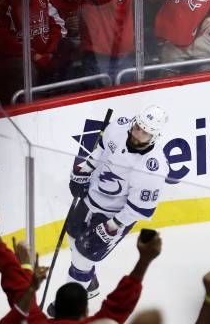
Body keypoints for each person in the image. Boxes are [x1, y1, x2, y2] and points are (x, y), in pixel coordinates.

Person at [53, 105, 169, 310]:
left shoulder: (152, 168)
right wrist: (85, 169)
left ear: (154, 136)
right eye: (138, 127)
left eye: (145, 132)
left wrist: (113, 226)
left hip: (113, 215)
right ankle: (89, 284)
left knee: (83, 256)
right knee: (72, 236)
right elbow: (101, 150)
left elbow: (139, 209)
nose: (138, 133)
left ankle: (70, 305)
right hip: (91, 197)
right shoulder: (119, 127)